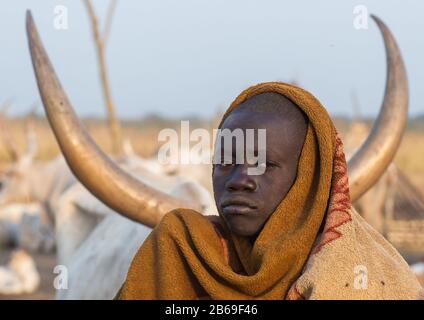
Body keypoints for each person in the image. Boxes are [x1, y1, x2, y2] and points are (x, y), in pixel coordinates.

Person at [118, 82, 423, 299]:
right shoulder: (179, 248)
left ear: (308, 178)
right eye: (224, 161)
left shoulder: (363, 279)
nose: (239, 180)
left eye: (263, 164)